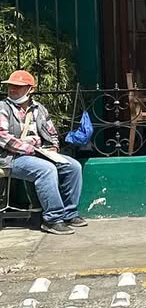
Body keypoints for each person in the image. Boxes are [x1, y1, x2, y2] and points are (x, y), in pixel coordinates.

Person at [0, 71, 86, 234]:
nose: (12, 89)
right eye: (10, 86)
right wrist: (30, 150)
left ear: (30, 89)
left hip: (39, 152)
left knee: (73, 166)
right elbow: (2, 136)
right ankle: (53, 219)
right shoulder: (3, 108)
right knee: (46, 169)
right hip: (11, 157)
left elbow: (52, 132)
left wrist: (53, 147)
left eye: (18, 86)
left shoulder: (39, 109)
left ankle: (69, 213)